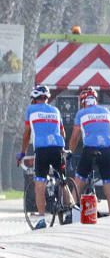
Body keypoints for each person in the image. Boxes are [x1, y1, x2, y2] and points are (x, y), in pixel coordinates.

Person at [17, 85, 67, 227]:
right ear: (46, 99)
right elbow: (63, 133)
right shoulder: (55, 110)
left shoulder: (30, 110)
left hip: (42, 149)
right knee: (62, 181)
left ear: (34, 99)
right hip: (58, 148)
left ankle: (41, 219)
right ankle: (69, 212)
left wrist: (22, 153)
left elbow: (26, 134)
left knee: (40, 184)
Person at [68, 87, 110, 214]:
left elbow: (75, 136)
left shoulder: (81, 113)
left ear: (83, 102)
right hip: (108, 150)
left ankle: (71, 214)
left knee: (78, 183)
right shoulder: (106, 111)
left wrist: (70, 152)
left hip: (90, 149)